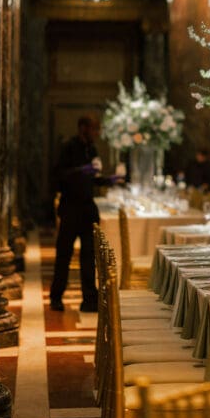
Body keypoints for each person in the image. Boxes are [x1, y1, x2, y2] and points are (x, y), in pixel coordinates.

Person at [49, 115, 122, 312]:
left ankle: (89, 299)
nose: (97, 133)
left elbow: (94, 178)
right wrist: (80, 170)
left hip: (88, 209)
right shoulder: (68, 147)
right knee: (64, 254)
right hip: (70, 207)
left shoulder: (93, 149)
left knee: (89, 256)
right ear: (83, 128)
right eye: (94, 129)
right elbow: (58, 175)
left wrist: (109, 180)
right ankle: (56, 297)